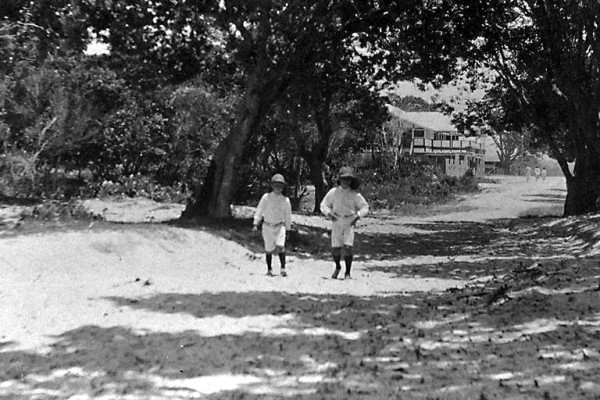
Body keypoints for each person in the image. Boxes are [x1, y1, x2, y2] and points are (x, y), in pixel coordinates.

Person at [320, 166, 369, 280]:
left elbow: (365, 207)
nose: (345, 181)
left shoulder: (355, 195)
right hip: (336, 220)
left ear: (351, 181)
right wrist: (328, 213)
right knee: (335, 249)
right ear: (339, 179)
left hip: (349, 221)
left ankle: (347, 273)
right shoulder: (333, 192)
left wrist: (358, 216)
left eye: (348, 179)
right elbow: (324, 205)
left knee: (347, 248)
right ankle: (337, 266)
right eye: (343, 179)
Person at [253, 174, 293, 277]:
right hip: (267, 226)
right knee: (269, 249)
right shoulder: (266, 197)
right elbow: (260, 210)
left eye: (280, 185)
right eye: (276, 185)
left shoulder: (286, 200)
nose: (278, 187)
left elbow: (288, 216)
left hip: (280, 226)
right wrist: (255, 222)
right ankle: (269, 269)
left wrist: (288, 229)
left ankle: (283, 267)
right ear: (271, 185)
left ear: (283, 187)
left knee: (280, 246)